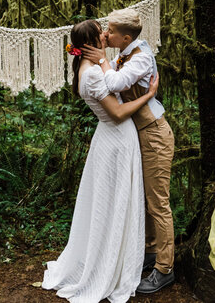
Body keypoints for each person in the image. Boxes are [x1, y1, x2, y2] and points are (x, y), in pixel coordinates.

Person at [42, 19, 159, 303]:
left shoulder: (89, 69)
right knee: (116, 202)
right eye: (101, 34)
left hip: (107, 139)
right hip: (117, 138)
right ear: (91, 43)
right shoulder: (92, 74)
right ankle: (111, 261)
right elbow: (118, 113)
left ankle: (118, 251)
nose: (106, 36)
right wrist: (149, 96)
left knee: (109, 202)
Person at [82, 8, 175, 294]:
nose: (105, 34)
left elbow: (115, 83)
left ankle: (165, 268)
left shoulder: (142, 57)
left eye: (109, 31)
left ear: (124, 37)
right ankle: (150, 252)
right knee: (145, 199)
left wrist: (102, 61)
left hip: (154, 135)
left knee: (158, 202)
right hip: (140, 135)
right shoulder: (123, 54)